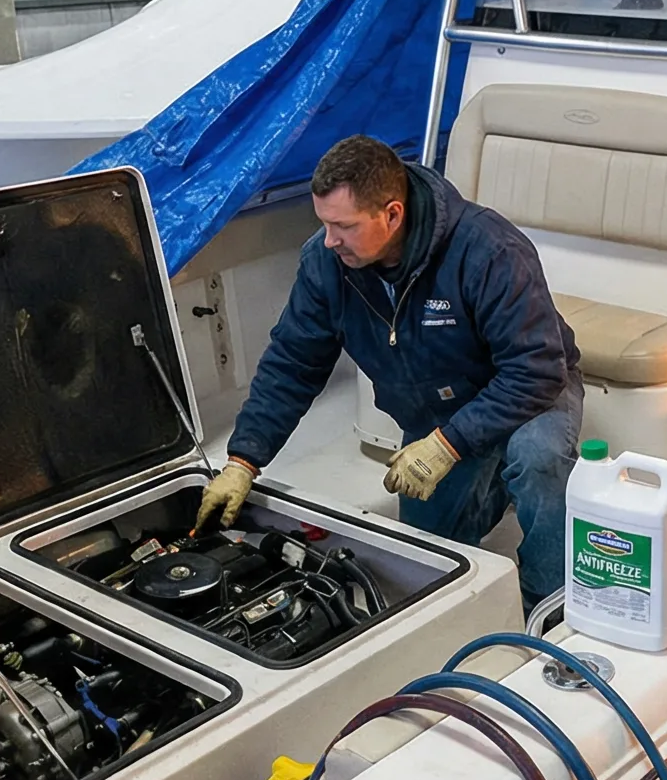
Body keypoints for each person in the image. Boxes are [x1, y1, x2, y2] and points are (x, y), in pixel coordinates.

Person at [194, 134, 583, 606]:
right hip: (438, 410)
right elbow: (293, 364)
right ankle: (491, 485)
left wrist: (448, 445)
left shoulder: (489, 250)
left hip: (527, 392)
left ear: (392, 213)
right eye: (324, 224)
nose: (330, 239)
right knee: (429, 569)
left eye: (343, 226)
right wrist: (243, 461)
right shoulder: (326, 262)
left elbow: (537, 370)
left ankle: (553, 603)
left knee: (537, 459)